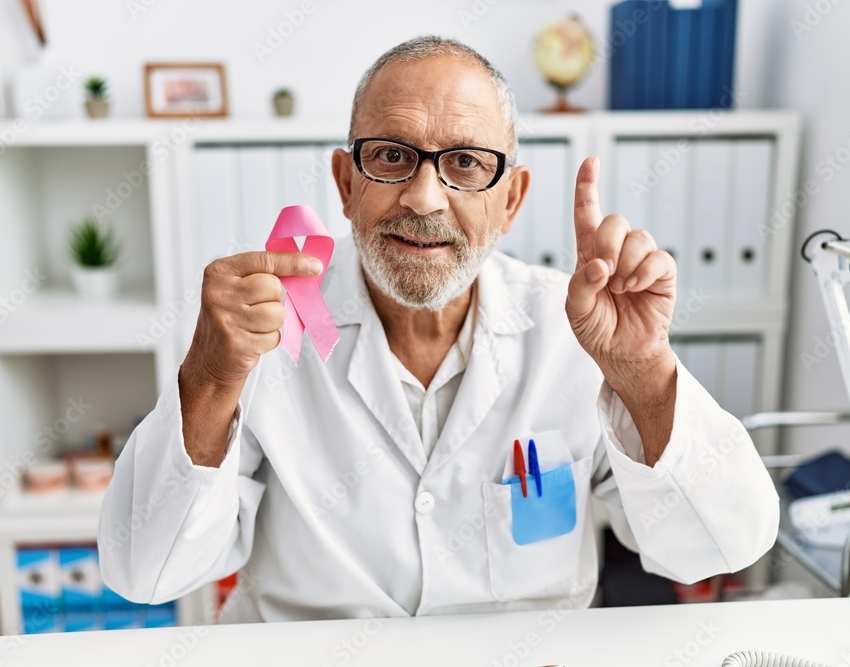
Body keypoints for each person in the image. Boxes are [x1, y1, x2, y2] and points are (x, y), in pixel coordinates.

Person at [99, 36, 778, 622]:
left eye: (465, 164)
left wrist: (645, 373)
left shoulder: (576, 331)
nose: (424, 198)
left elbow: (722, 543)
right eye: (392, 157)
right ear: (345, 183)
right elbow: (144, 571)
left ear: (510, 199)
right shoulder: (266, 334)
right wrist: (210, 376)